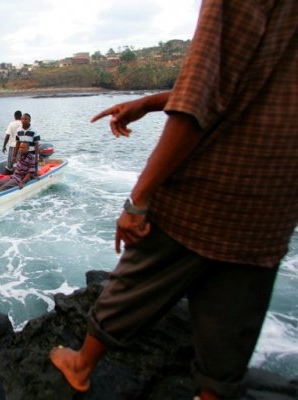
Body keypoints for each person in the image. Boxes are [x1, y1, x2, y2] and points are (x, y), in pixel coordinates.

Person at [49, 1, 297, 399]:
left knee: (138, 277)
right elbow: (251, 84)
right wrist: (147, 102)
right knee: (229, 333)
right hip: (274, 201)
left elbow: (202, 95)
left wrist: (138, 200)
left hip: (208, 190)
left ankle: (81, 365)